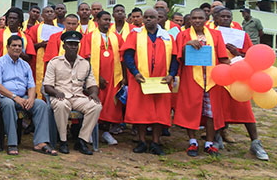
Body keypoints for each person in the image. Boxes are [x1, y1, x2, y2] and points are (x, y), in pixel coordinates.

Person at [120, 8, 178, 155]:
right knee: (140, 111)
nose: (148, 19)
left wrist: (171, 75)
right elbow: (128, 55)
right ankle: (141, 141)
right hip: (141, 80)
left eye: (152, 17)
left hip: (162, 81)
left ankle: (156, 142)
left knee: (160, 112)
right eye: (146, 17)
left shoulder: (167, 37)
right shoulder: (135, 35)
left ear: (158, 19)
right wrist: (135, 73)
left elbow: (174, 58)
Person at [174, 8, 230, 157]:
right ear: (190, 20)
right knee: (191, 110)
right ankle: (192, 142)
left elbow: (222, 56)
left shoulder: (216, 35)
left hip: (212, 79)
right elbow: (179, 57)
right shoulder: (183, 35)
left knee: (211, 112)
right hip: (192, 79)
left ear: (206, 19)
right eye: (194, 18)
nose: (197, 21)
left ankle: (209, 143)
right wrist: (187, 45)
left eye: (200, 18)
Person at [215, 8, 268, 160]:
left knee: (245, 111)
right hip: (220, 76)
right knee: (219, 108)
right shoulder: (211, 33)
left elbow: (252, 56)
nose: (225, 19)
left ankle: (255, 142)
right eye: (222, 16)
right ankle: (217, 138)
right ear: (216, 18)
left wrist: (236, 53)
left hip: (240, 76)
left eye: (228, 16)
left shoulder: (241, 35)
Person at [0, 36, 56, 156]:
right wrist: (15, 97)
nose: (17, 48)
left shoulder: (25, 65)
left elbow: (31, 86)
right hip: (4, 97)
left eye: (20, 46)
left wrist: (31, 99)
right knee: (9, 104)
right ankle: (12, 143)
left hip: (22, 97)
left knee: (40, 104)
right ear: (7, 47)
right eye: (14, 45)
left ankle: (40, 142)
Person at [43, 30, 102, 155]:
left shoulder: (85, 63)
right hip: (60, 96)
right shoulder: (54, 62)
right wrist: (56, 93)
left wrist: (93, 94)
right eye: (70, 44)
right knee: (61, 105)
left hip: (78, 97)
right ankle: (63, 141)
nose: (73, 47)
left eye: (76, 44)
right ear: (64, 45)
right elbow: (47, 86)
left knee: (96, 106)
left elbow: (92, 85)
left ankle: (82, 141)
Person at [79, 11, 125, 146]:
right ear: (97, 20)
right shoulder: (89, 37)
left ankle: (106, 133)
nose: (107, 22)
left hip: (113, 77)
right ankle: (91, 132)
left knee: (110, 106)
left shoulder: (116, 37)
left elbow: (122, 58)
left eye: (109, 20)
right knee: (94, 103)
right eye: (104, 19)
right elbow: (85, 58)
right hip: (94, 78)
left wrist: (123, 77)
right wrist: (96, 76)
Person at [0, 7, 35, 72]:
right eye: (10, 18)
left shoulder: (26, 37)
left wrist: (18, 52)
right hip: (1, 69)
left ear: (19, 20)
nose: (11, 20)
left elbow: (29, 58)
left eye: (14, 18)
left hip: (19, 71)